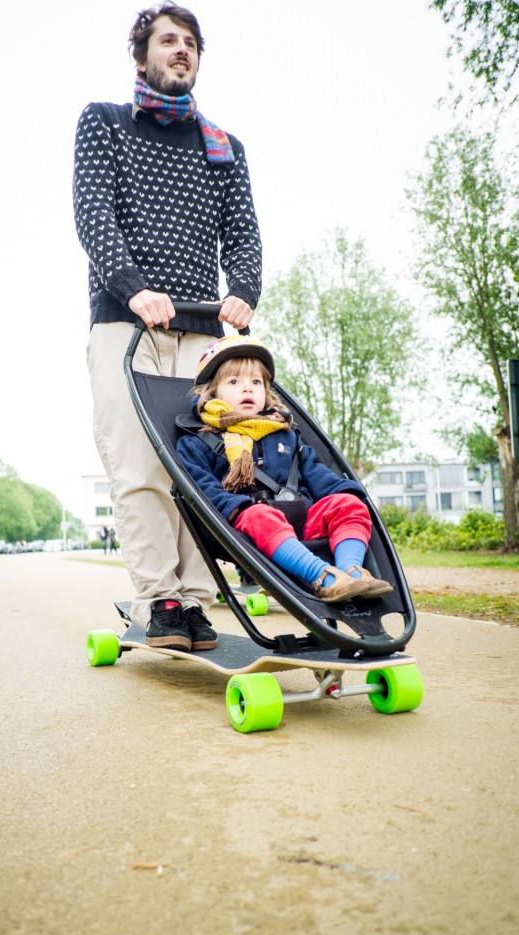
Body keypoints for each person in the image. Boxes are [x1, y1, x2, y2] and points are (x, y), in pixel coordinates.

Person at [74, 2, 262, 652]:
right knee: (140, 470)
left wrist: (241, 291)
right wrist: (134, 289)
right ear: (142, 56)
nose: (181, 50)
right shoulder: (105, 124)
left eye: (190, 43)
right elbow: (93, 213)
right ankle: (161, 601)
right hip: (126, 329)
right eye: (167, 40)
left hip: (203, 335)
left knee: (200, 471)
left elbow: (242, 235)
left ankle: (198, 604)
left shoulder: (222, 147)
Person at [176, 337, 395, 602]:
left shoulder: (285, 434)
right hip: (247, 529)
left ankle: (352, 574)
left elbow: (317, 474)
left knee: (348, 503)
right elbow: (204, 489)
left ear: (266, 391)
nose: (247, 389)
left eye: (256, 382)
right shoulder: (198, 442)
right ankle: (324, 578)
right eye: (234, 382)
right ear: (212, 393)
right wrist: (239, 508)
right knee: (260, 516)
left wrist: (346, 493)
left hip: (301, 519)